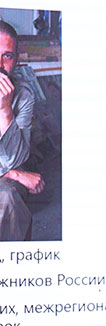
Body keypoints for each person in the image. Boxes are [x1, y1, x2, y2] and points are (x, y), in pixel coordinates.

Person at [0, 20, 44, 241]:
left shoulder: (23, 96)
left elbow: (17, 159)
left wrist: (5, 111)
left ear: (16, 61)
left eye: (7, 56)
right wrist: (14, 174)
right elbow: (15, 169)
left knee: (8, 196)